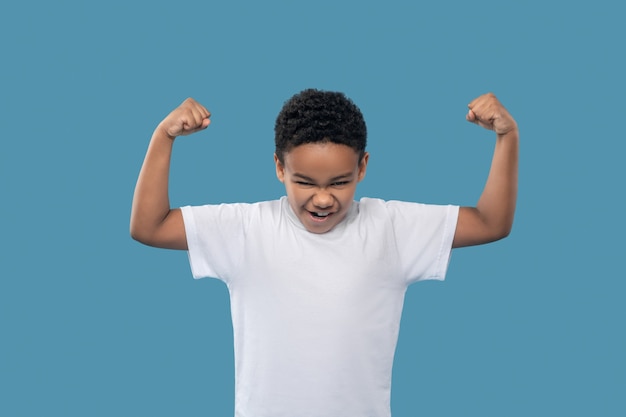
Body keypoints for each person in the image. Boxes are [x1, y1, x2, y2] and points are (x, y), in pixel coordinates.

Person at [130, 89, 518, 417]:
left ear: (363, 167)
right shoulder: (246, 228)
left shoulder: (389, 227)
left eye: (339, 182)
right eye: (304, 182)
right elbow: (150, 226)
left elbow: (489, 222)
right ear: (279, 168)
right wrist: (163, 136)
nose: (322, 199)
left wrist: (507, 137)